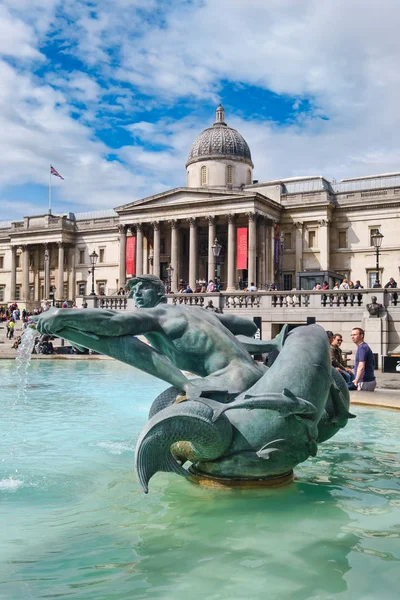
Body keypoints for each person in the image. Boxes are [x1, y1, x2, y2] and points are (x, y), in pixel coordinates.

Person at [37, 274, 272, 398]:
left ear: (160, 292)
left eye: (143, 289)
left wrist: (62, 315)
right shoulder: (198, 311)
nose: (136, 296)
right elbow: (248, 326)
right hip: (261, 376)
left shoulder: (156, 315)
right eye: (133, 292)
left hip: (231, 383)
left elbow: (111, 324)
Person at [351, 327, 376, 392]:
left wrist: (356, 380)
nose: (352, 337)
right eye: (351, 335)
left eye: (355, 335)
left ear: (361, 335)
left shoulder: (362, 348)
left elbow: (361, 366)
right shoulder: (363, 347)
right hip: (367, 381)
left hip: (364, 382)